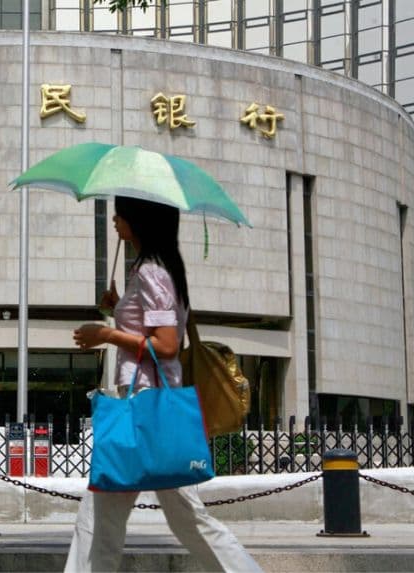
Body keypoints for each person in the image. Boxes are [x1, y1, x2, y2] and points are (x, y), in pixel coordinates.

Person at [65, 197, 261, 573]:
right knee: (155, 516)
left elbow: (166, 346)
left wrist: (106, 333)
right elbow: (154, 330)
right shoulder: (157, 269)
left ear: (139, 220)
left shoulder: (153, 272)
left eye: (120, 214)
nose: (115, 220)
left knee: (113, 516)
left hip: (146, 405)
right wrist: (121, 306)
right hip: (149, 405)